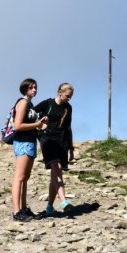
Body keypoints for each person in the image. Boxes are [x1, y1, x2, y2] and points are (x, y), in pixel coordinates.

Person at [10, 79, 48, 222]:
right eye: (31, 87)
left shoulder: (30, 104)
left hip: (30, 141)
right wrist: (36, 124)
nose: (34, 90)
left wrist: (39, 125)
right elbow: (18, 126)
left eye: (35, 87)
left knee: (25, 178)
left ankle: (23, 208)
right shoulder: (23, 102)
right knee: (19, 177)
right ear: (25, 89)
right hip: (23, 142)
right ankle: (16, 211)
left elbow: (28, 123)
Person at [34, 83, 75, 216]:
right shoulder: (48, 104)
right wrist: (39, 125)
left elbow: (68, 128)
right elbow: (30, 114)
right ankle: (63, 201)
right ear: (60, 92)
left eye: (71, 96)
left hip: (62, 141)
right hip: (47, 139)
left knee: (56, 174)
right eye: (67, 96)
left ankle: (50, 207)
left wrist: (71, 149)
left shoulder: (68, 108)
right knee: (56, 166)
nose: (69, 99)